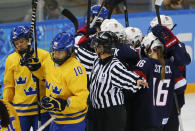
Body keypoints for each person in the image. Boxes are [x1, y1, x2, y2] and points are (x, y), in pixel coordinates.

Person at [75, 31, 148, 131]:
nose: (94, 47)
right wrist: (71, 46)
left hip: (112, 114)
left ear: (103, 48)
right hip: (98, 112)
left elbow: (125, 75)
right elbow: (83, 54)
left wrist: (138, 80)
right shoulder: (96, 60)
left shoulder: (114, 65)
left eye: (97, 45)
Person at [22, 32, 89, 131]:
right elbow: (44, 78)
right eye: (55, 51)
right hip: (55, 120)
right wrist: (35, 68)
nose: (56, 55)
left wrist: (63, 103)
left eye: (60, 52)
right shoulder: (49, 60)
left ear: (69, 51)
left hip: (72, 123)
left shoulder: (76, 70)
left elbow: (82, 98)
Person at [133, 32, 187, 131]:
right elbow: (181, 85)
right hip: (163, 117)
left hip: (147, 117)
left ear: (150, 48)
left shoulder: (146, 62)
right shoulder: (170, 65)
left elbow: (134, 81)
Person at [3, 25, 51, 131]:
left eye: (22, 41)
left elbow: (50, 81)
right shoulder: (10, 60)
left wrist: (38, 69)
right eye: (16, 43)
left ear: (29, 40)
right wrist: (6, 105)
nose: (19, 45)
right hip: (20, 111)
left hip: (41, 109)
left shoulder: (44, 55)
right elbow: (9, 86)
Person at [150, 15, 191, 131]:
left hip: (173, 97)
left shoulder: (177, 46)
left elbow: (184, 60)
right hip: (154, 97)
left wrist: (169, 43)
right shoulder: (151, 45)